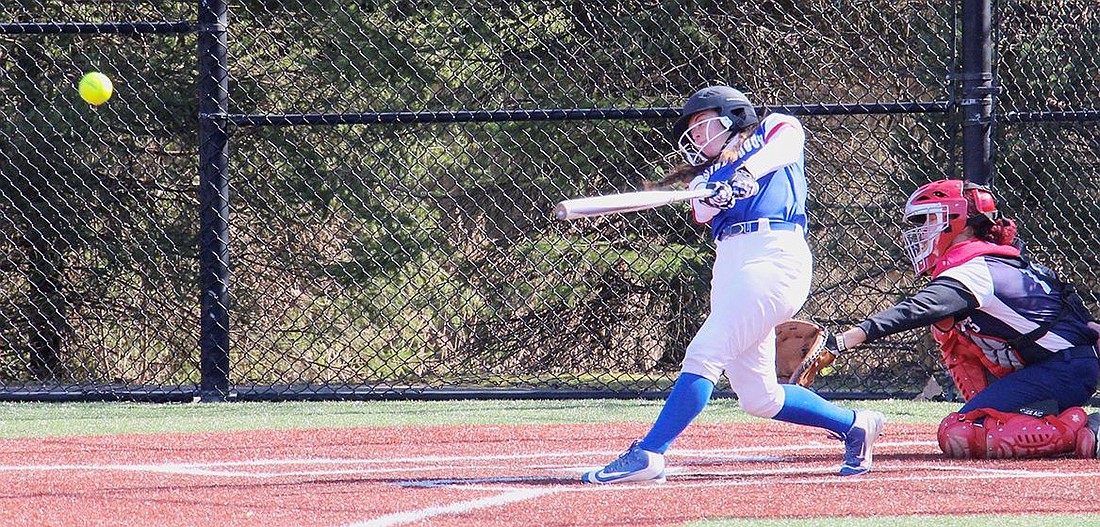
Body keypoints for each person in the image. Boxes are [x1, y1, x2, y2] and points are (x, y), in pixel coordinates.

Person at [581, 85, 885, 484]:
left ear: (732, 116)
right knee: (760, 397)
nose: (695, 137)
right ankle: (855, 425)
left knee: (705, 352)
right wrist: (719, 192)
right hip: (730, 264)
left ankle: (650, 453)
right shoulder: (704, 178)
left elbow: (785, 148)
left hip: (773, 252)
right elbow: (703, 211)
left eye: (701, 125)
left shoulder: (773, 128)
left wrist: (744, 175)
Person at [819, 178, 1100, 459]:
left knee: (965, 432)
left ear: (957, 221)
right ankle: (1041, 417)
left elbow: (915, 310)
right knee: (948, 334)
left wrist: (844, 341)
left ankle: (1082, 429)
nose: (921, 231)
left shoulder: (975, 269)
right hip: (1060, 367)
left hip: (1064, 369)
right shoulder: (992, 260)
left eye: (927, 220)